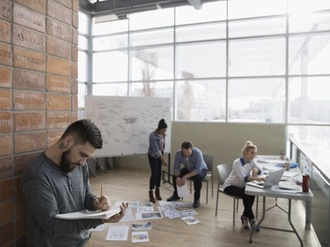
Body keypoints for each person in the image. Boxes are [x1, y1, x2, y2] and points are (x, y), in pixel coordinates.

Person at [21, 119, 128, 247]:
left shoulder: (79, 165)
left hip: (84, 241)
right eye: (82, 154)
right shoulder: (37, 175)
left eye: (87, 157)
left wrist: (96, 202)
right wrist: (100, 219)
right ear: (67, 142)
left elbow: (85, 195)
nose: (83, 162)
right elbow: (53, 226)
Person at [223, 141, 264, 231]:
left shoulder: (251, 161)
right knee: (246, 194)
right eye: (252, 152)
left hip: (241, 186)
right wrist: (258, 179)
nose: (254, 155)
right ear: (245, 152)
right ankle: (252, 219)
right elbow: (244, 178)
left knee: (251, 193)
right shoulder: (237, 162)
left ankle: (244, 217)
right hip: (230, 186)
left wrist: (256, 170)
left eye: (255, 153)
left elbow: (260, 170)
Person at [167, 141, 207, 208]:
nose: (186, 154)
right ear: (182, 149)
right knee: (174, 176)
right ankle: (176, 195)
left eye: (188, 152)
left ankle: (196, 199)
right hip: (188, 168)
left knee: (197, 178)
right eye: (184, 152)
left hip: (201, 170)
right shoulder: (178, 153)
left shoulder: (197, 153)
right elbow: (176, 168)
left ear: (192, 149)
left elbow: (197, 170)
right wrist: (178, 177)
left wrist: (185, 176)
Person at [147, 119, 168, 203]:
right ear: (159, 129)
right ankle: (151, 192)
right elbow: (156, 150)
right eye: (163, 130)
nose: (164, 132)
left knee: (159, 173)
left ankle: (157, 191)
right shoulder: (152, 135)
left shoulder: (163, 134)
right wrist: (163, 159)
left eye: (165, 130)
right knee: (154, 173)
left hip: (160, 155)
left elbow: (162, 146)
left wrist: (162, 157)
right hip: (153, 155)